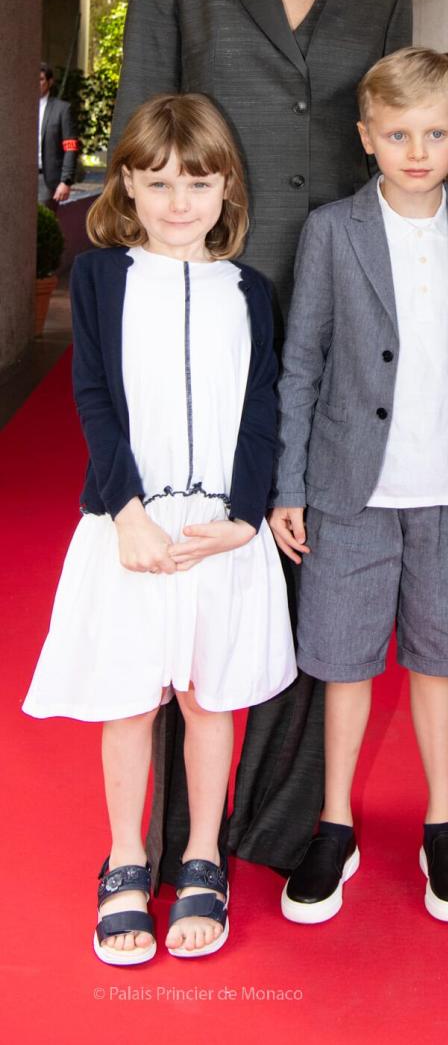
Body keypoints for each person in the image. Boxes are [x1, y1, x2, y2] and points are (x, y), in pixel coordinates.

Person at [110, 0, 413, 880]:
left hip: (334, 303)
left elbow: (388, 147)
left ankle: (277, 825)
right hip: (206, 298)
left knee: (301, 561)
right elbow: (146, 128)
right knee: (191, 555)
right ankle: (167, 840)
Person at [23, 94, 296, 964]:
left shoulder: (251, 290)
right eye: (159, 181)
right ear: (128, 187)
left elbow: (264, 410)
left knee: (208, 696)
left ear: (227, 188)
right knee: (131, 699)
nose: (181, 201)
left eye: (199, 180)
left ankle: (205, 856)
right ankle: (128, 861)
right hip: (130, 527)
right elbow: (93, 398)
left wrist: (244, 520)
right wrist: (125, 512)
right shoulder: (102, 279)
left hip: (219, 533)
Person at [268, 47, 448, 924]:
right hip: (347, 487)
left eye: (435, 133)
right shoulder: (333, 230)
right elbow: (301, 364)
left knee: (441, 659)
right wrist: (288, 483)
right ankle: (335, 822)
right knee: (343, 660)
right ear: (366, 137)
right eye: (398, 132)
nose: (417, 149)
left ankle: (442, 821)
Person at [38, 63, 78, 205]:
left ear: (50, 82)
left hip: (47, 181)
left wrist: (66, 181)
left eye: (41, 79)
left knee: (42, 225)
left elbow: (70, 147)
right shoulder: (19, 108)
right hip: (19, 179)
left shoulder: (62, 109)